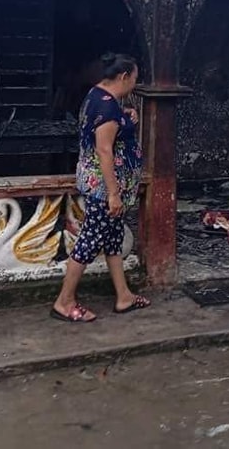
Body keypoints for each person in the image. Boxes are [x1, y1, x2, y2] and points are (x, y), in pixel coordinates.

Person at [51, 53, 148, 323]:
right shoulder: (106, 108)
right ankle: (64, 301)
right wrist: (114, 193)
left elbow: (110, 129)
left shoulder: (98, 96)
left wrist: (126, 115)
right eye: (135, 78)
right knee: (89, 241)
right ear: (124, 76)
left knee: (113, 239)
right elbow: (105, 149)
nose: (135, 84)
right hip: (103, 188)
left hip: (100, 183)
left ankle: (123, 296)